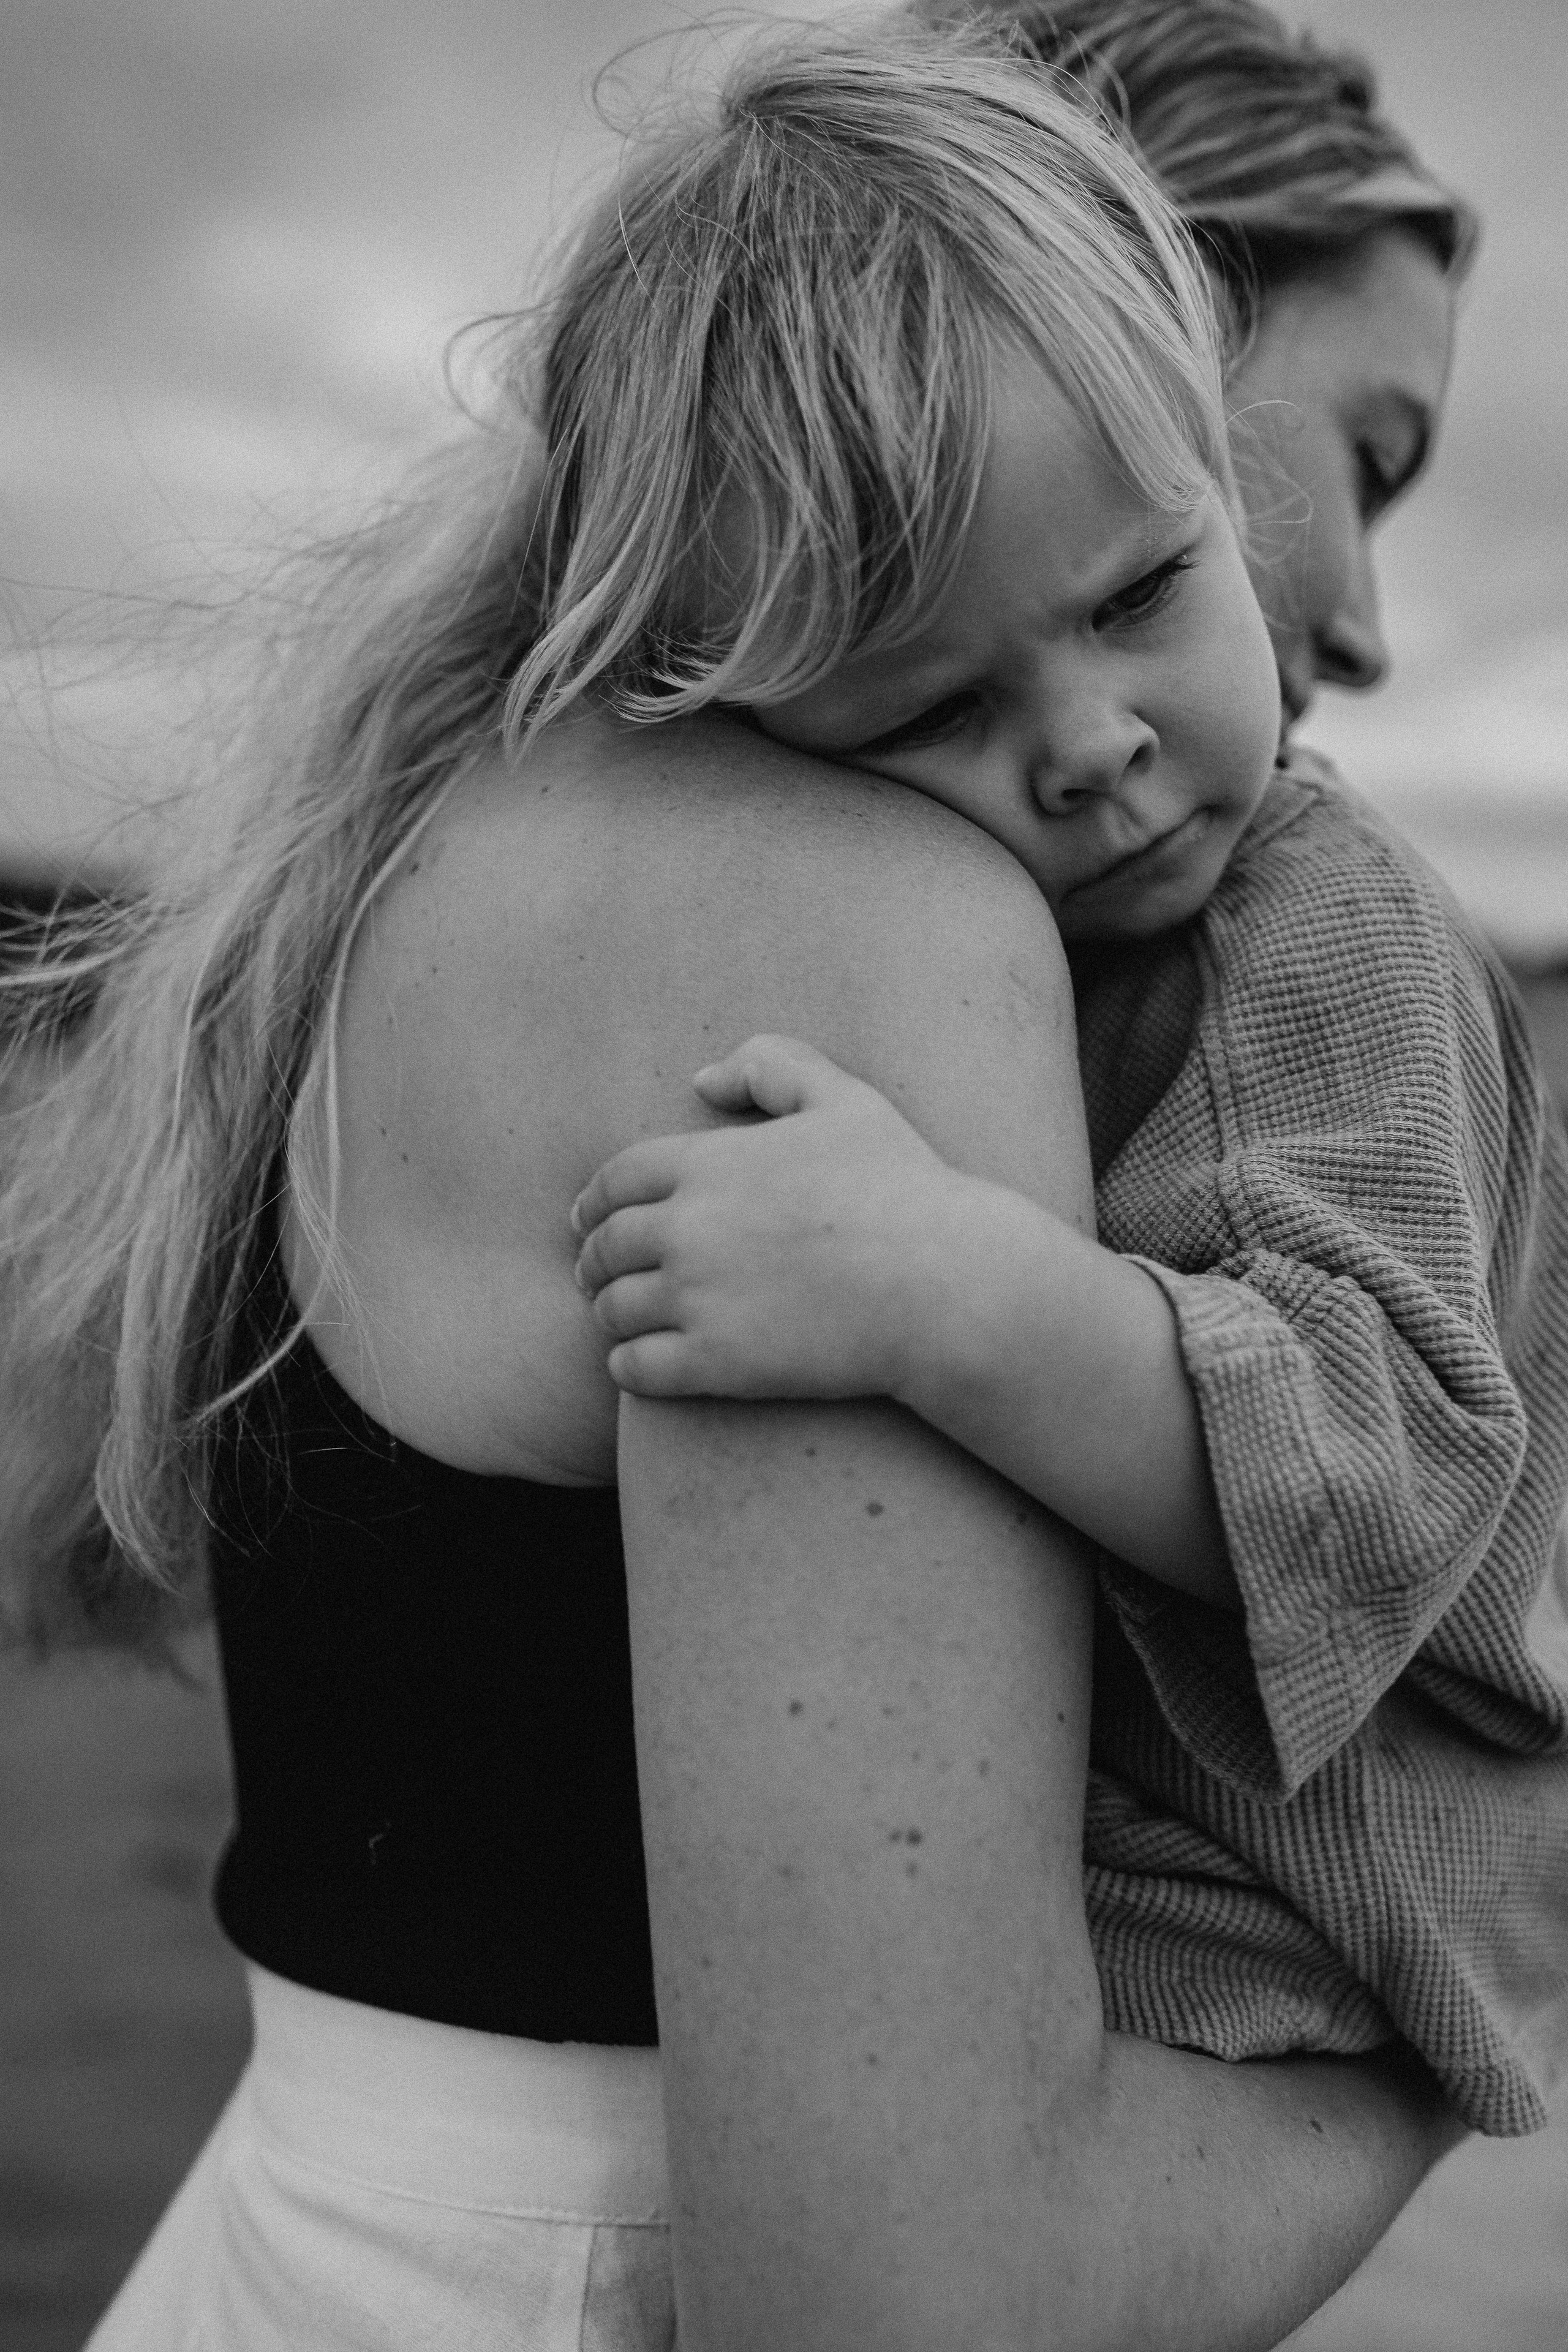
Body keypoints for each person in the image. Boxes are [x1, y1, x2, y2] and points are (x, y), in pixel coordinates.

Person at [0, 23, 1480, 2352]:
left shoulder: (461, 840)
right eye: (1367, 458)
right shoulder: (855, 937)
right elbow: (914, 2302)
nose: (1369, 617)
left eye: (1137, 594)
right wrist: (1483, 1995)